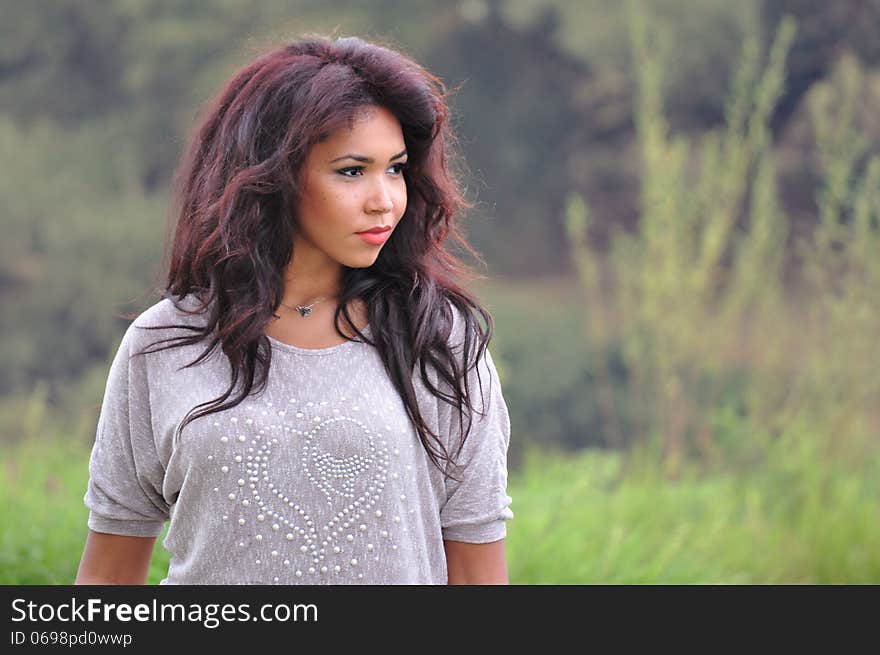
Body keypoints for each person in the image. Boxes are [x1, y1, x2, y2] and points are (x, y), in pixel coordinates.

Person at [74, 34, 513, 585]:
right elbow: (106, 582)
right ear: (272, 176)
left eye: (396, 168)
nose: (384, 199)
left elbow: (477, 577)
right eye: (352, 171)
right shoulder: (166, 341)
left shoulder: (439, 340)